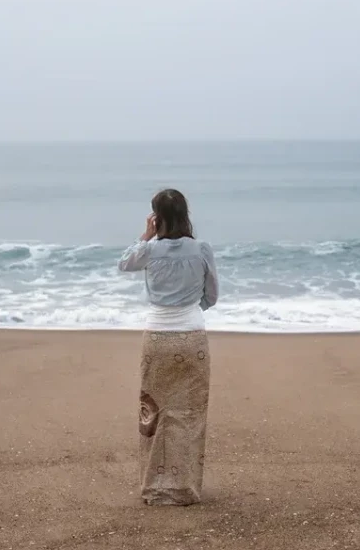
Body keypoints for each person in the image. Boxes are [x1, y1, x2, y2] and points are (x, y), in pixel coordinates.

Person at [118, 188, 219, 506]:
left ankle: (155, 488)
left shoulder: (149, 250)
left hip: (157, 339)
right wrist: (190, 310)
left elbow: (124, 264)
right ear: (186, 215)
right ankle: (185, 489)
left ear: (156, 217)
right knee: (190, 414)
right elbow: (212, 296)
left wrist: (146, 235)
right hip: (192, 338)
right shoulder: (201, 248)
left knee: (154, 412)